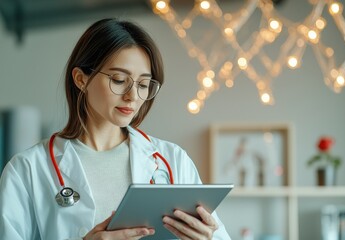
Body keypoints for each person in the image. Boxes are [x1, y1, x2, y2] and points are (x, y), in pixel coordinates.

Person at [0, 18, 231, 240]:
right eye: (119, 80)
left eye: (142, 85)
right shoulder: (27, 170)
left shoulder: (173, 161)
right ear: (81, 79)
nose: (132, 96)